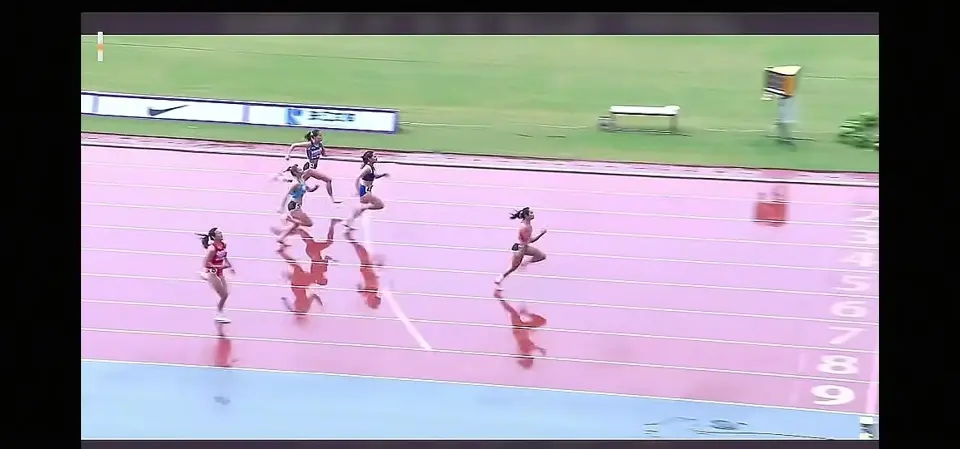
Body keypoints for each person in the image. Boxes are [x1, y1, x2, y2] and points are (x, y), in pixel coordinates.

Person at [494, 207, 547, 296]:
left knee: (542, 256)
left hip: (524, 247)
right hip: (520, 249)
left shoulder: (527, 224)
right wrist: (541, 234)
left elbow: (528, 241)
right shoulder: (525, 227)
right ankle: (499, 279)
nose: (533, 214)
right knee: (513, 267)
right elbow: (530, 240)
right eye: (531, 213)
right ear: (526, 215)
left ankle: (524, 263)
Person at [278, 129, 339, 204]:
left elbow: (324, 154)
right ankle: (333, 200)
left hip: (313, 168)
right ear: (314, 137)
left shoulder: (320, 145)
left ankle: (284, 179)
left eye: (321, 135)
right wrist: (288, 155)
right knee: (328, 180)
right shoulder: (309, 144)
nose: (321, 137)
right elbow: (294, 145)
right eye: (319, 135)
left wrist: (334, 155)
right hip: (309, 169)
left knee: (300, 183)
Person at [271, 164, 319, 245]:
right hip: (294, 206)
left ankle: (281, 238)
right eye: (300, 170)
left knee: (295, 225)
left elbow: (307, 189)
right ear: (296, 173)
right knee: (309, 223)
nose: (302, 170)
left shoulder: (301, 180)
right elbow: (286, 194)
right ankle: (289, 219)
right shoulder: (295, 183)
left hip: (297, 206)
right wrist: (281, 207)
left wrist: (314, 188)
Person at [196, 228, 235, 323]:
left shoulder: (223, 244)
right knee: (224, 295)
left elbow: (224, 256)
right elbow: (206, 263)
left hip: (220, 272)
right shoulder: (212, 249)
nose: (221, 234)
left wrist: (230, 266)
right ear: (214, 237)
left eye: (220, 232)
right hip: (213, 273)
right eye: (218, 233)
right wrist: (220, 266)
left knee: (226, 293)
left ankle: (220, 312)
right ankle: (219, 314)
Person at [343, 151, 389, 230]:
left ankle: (348, 222)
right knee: (380, 205)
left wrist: (383, 175)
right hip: (365, 191)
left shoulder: (371, 167)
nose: (376, 158)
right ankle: (352, 217)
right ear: (369, 159)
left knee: (361, 209)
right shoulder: (367, 168)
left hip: (366, 190)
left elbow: (375, 176)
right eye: (374, 156)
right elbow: (357, 178)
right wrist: (358, 190)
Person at [276, 242, 324, 316]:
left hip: (299, 285)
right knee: (297, 268)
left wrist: (321, 304)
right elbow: (314, 296)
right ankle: (282, 255)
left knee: (297, 268)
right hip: (299, 286)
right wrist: (322, 305)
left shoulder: (302, 308)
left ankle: (282, 254)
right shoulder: (303, 308)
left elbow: (314, 296)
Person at [499, 299, 547, 369]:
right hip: (523, 329)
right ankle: (524, 312)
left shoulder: (524, 350)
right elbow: (529, 347)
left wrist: (539, 349)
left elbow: (527, 346)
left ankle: (499, 298)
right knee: (542, 321)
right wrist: (539, 349)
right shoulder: (526, 351)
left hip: (519, 329)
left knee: (513, 313)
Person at [344, 229, 382, 309]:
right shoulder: (370, 293)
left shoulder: (372, 291)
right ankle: (350, 238)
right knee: (362, 252)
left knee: (362, 251)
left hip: (367, 268)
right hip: (366, 269)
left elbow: (372, 279)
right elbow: (362, 290)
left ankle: (349, 237)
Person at [299, 219, 339, 287]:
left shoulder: (315, 274)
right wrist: (331, 260)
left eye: (324, 279)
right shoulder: (324, 270)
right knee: (310, 240)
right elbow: (326, 258)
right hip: (314, 252)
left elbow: (315, 264)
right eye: (325, 279)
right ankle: (297, 228)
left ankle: (332, 224)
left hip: (313, 253)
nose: (324, 277)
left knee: (313, 242)